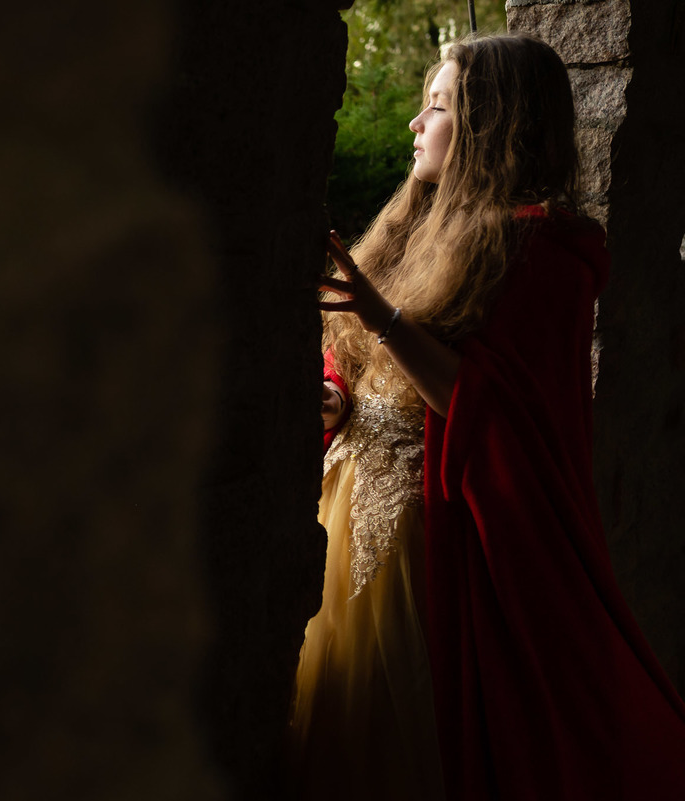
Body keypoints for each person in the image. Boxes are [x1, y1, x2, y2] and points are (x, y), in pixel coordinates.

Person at [289, 32, 685, 800]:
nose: (416, 123)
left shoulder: (544, 252)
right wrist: (339, 397)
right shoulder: (411, 228)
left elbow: (495, 412)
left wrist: (380, 316)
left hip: (431, 551)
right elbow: (358, 370)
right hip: (342, 526)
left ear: (488, 122)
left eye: (436, 105)